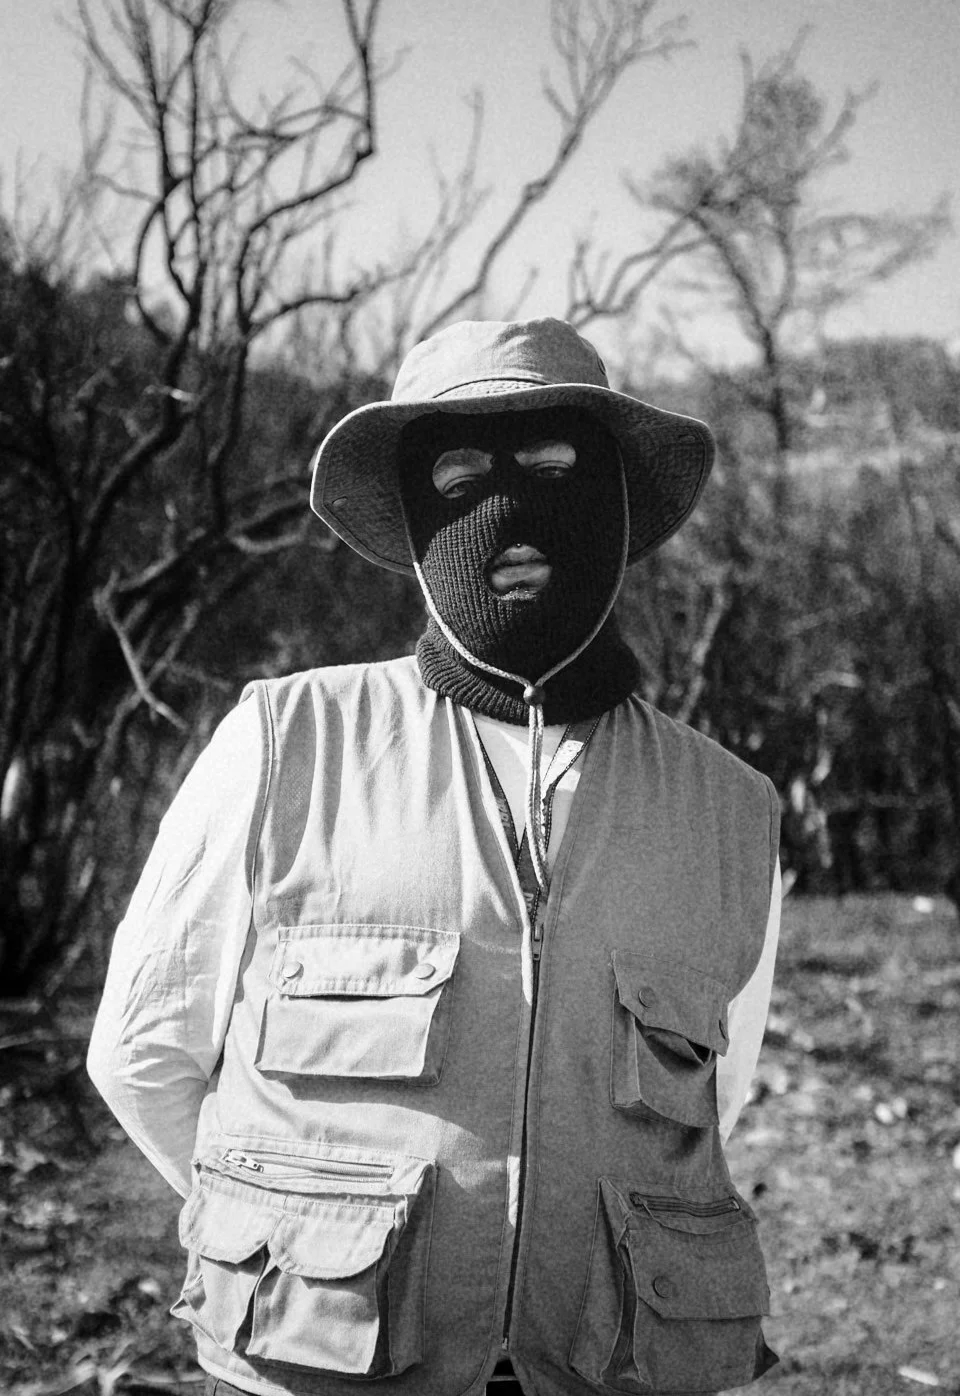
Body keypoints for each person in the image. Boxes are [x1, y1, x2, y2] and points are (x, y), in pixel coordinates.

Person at [88, 317, 782, 1396]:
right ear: (414, 519)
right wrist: (297, 1230)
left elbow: (711, 1100)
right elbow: (142, 1053)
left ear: (621, 507)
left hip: (608, 1369)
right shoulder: (285, 744)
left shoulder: (732, 809)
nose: (511, 515)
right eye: (459, 476)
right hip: (326, 1365)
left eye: (557, 470)